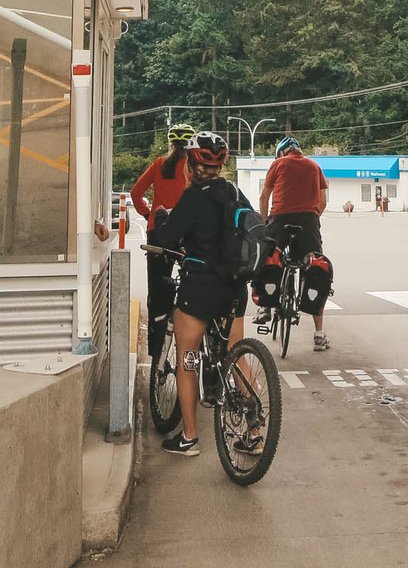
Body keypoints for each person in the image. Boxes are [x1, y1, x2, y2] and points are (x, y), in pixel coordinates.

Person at [151, 131, 254, 457]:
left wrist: (163, 221)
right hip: (235, 286)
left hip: (200, 287)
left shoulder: (193, 197)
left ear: (190, 165)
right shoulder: (235, 192)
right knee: (236, 353)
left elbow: (167, 237)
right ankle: (253, 433)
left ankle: (190, 437)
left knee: (187, 358)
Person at [131, 123, 195, 362]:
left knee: (157, 289)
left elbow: (136, 192)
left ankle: (155, 348)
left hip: (158, 232)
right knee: (193, 280)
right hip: (186, 233)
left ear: (170, 144)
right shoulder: (192, 168)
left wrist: (148, 214)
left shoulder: (159, 164)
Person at [260, 135, 330, 351]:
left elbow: (264, 198)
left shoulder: (277, 164)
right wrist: (312, 217)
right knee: (315, 266)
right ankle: (319, 335)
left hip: (280, 219)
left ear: (282, 153)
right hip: (308, 220)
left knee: (269, 256)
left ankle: (265, 307)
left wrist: (265, 223)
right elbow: (323, 201)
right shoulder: (314, 165)